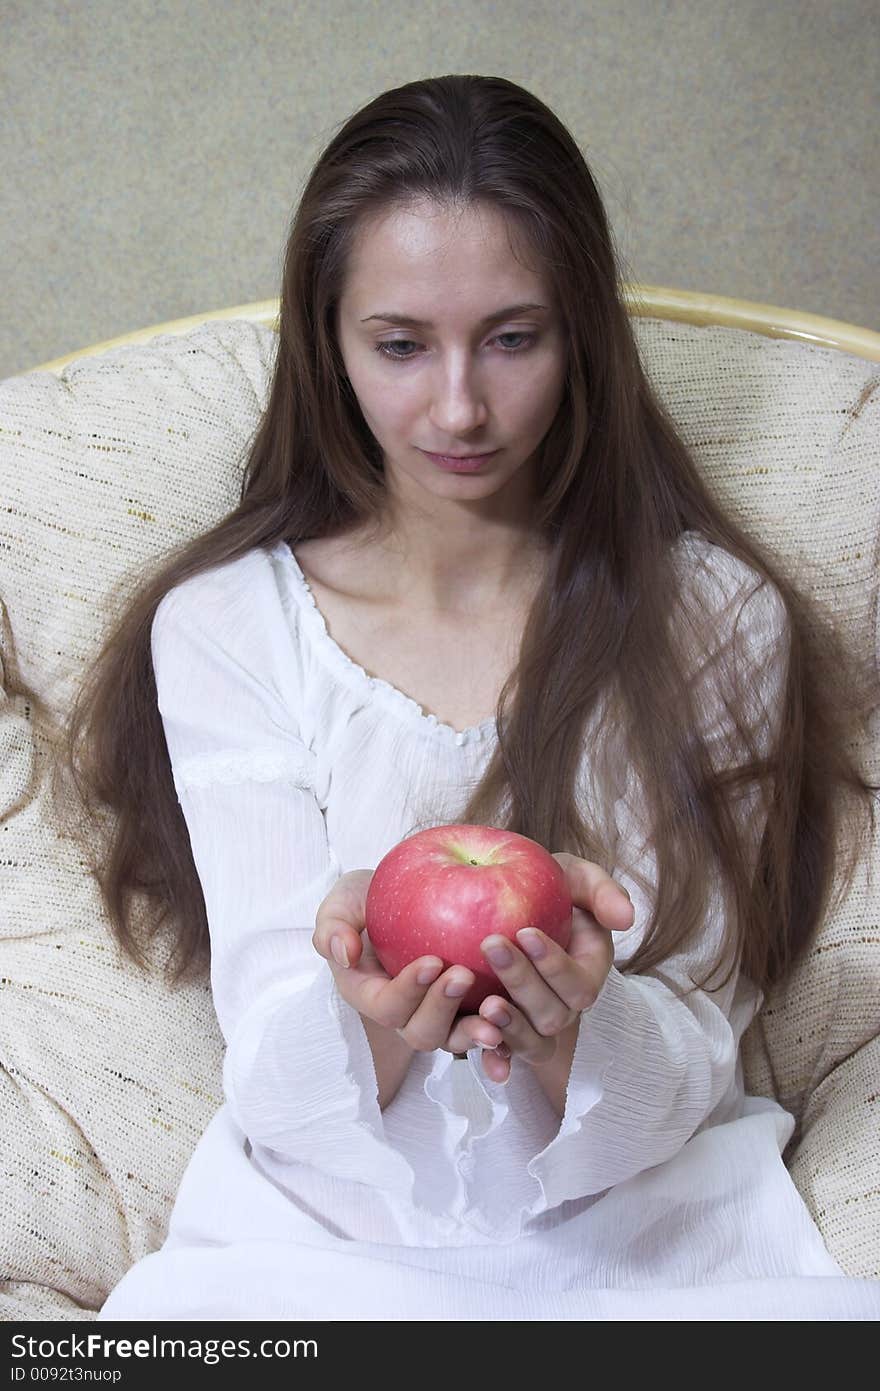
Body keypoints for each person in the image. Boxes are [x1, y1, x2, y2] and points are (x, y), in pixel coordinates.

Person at [59, 74, 879, 1319]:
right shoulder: (229, 625)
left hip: (654, 1244)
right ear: (326, 345)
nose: (458, 407)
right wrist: (362, 1004)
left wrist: (576, 1028)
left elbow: (700, 1047)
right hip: (312, 1250)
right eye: (399, 345)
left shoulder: (713, 616)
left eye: (511, 336)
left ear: (582, 334)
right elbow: (276, 1086)